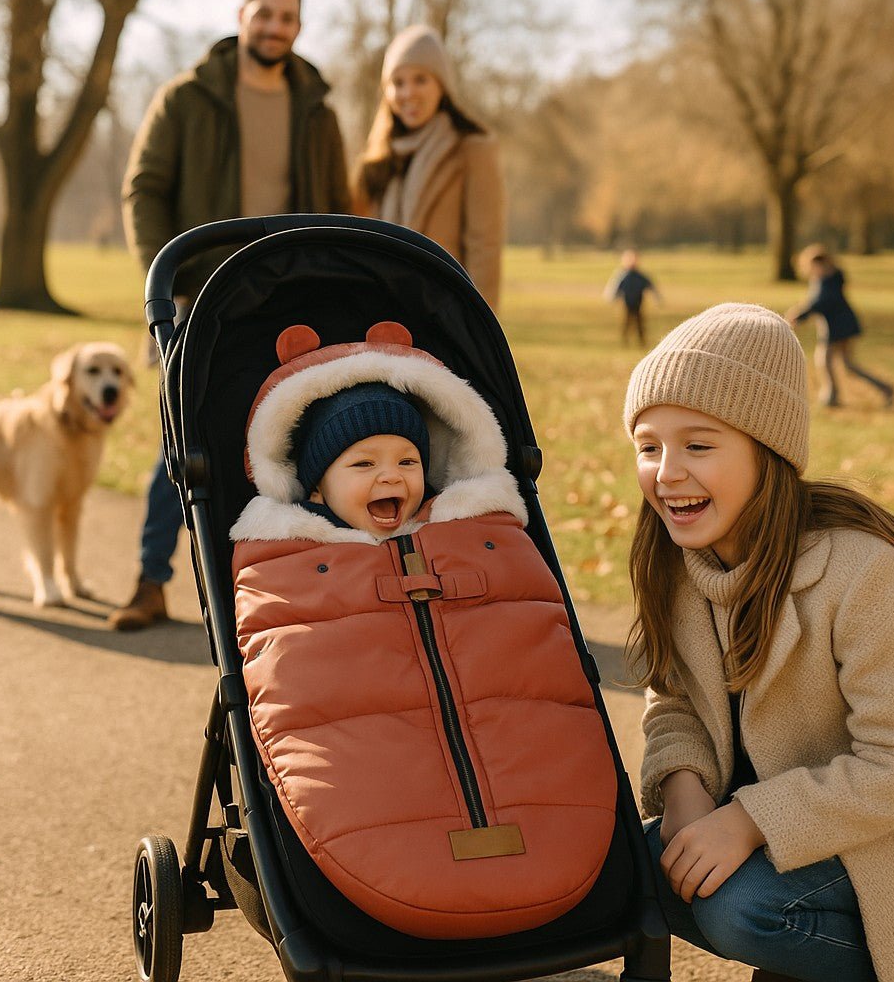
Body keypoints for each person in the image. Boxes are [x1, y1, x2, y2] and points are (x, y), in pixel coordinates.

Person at [622, 303, 894, 982]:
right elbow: (672, 697)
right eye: (649, 446)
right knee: (624, 872)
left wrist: (744, 823)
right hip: (787, 831)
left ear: (768, 451)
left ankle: (880, 963)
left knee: (737, 909)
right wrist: (684, 794)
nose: (667, 471)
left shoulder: (862, 572)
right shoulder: (679, 566)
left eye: (698, 445)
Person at [227, 321, 618, 939]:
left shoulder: (474, 533)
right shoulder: (288, 559)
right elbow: (291, 676)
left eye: (408, 459)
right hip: (372, 769)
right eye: (363, 463)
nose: (392, 477)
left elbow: (533, 654)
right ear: (317, 485)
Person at [111, 0, 351, 631]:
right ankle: (150, 582)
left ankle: (295, 595)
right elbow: (144, 189)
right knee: (183, 445)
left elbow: (335, 206)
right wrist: (168, 284)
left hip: (288, 304)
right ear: (242, 14)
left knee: (295, 444)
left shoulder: (318, 111)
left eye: (288, 18)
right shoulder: (187, 98)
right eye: (265, 13)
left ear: (298, 28)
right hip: (198, 297)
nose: (275, 26)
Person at [353, 25, 505, 310]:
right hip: (379, 313)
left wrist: (480, 332)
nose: (408, 93)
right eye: (398, 83)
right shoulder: (376, 159)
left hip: (443, 314)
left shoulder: (473, 148)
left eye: (420, 79)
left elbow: (484, 248)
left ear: (441, 84)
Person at [786, 246, 894, 408]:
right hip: (839, 326)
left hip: (839, 327)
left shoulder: (829, 281)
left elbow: (820, 303)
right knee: (843, 364)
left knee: (826, 360)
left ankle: (832, 396)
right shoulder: (824, 279)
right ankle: (882, 389)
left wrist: (799, 315)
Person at [604, 249, 663, 346]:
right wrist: (612, 297)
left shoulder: (640, 276)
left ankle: (641, 341)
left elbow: (651, 286)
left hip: (638, 303)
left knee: (640, 323)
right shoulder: (623, 276)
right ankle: (625, 341)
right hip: (627, 304)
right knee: (626, 323)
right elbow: (615, 287)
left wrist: (657, 298)